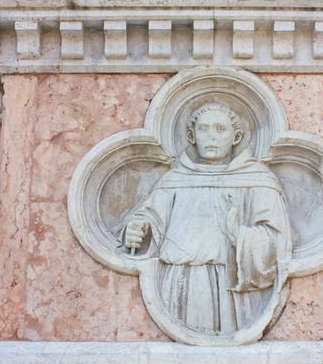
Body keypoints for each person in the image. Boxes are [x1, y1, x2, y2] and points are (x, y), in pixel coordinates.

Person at [119, 103, 292, 335]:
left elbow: (277, 241)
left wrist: (239, 235)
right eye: (203, 129)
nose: (212, 136)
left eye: (221, 129)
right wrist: (136, 230)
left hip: (233, 282)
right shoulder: (175, 179)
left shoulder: (259, 180)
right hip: (180, 281)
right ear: (191, 136)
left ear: (236, 136)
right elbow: (148, 215)